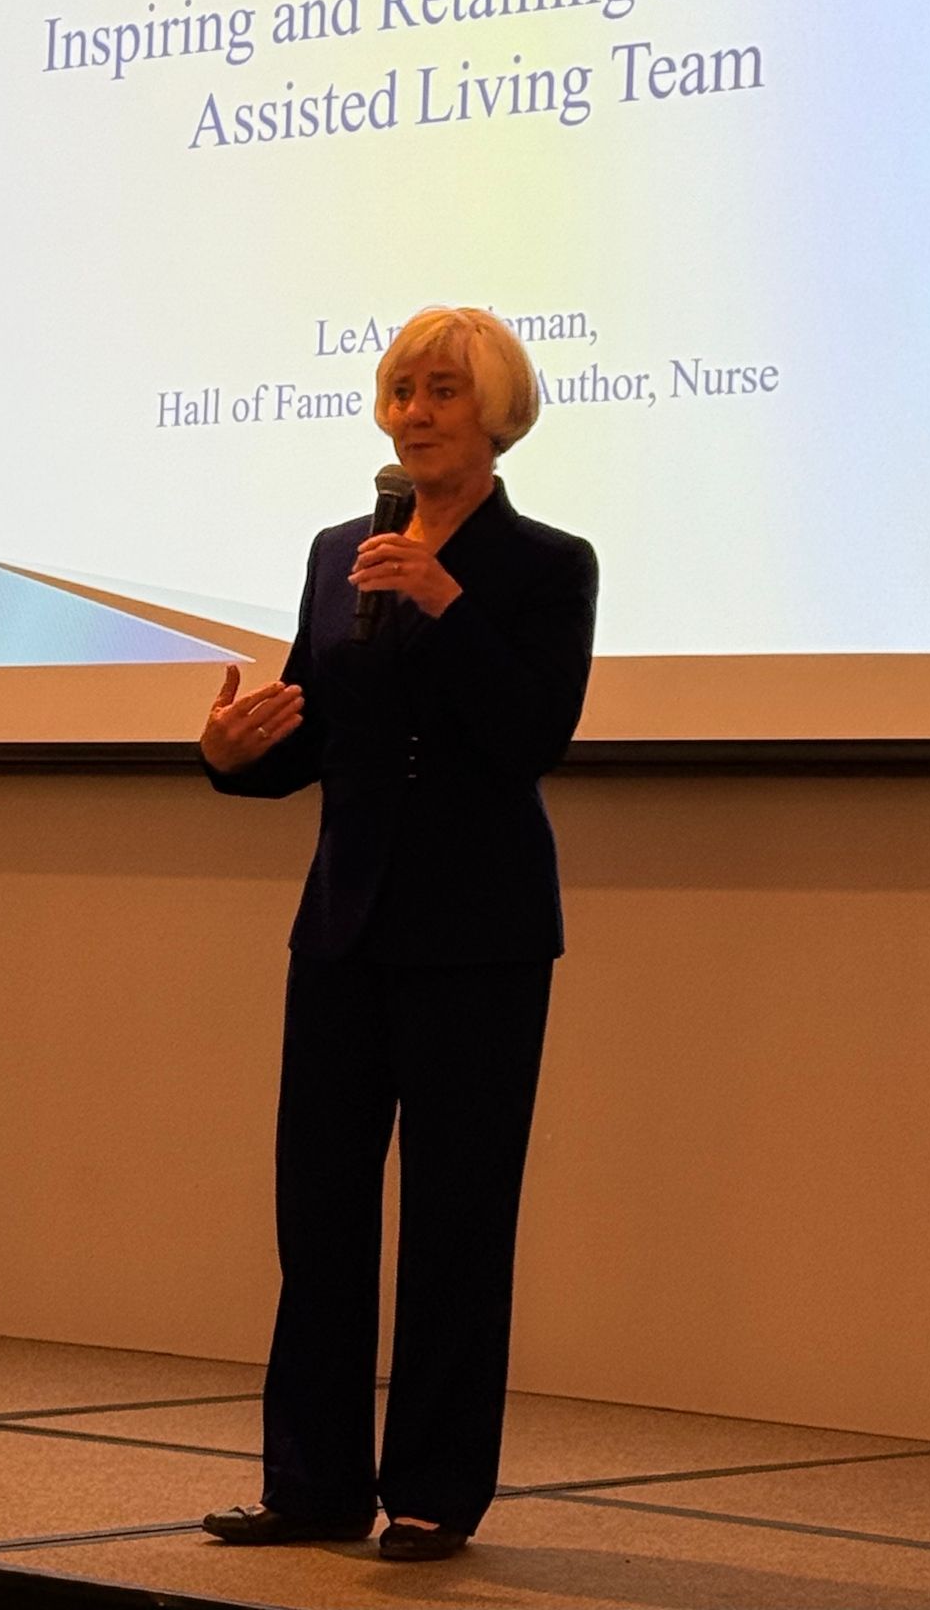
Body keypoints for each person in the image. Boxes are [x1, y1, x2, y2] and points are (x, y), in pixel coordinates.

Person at [198, 304, 597, 1562]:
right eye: (399, 390)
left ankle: (429, 1492)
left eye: (440, 392)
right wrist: (229, 758)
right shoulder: (340, 550)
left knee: (456, 1223)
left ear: (495, 417)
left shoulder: (548, 565)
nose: (414, 413)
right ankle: (311, 1483)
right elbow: (325, 738)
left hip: (479, 936)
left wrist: (445, 602)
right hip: (343, 928)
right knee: (316, 1217)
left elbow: (532, 734)